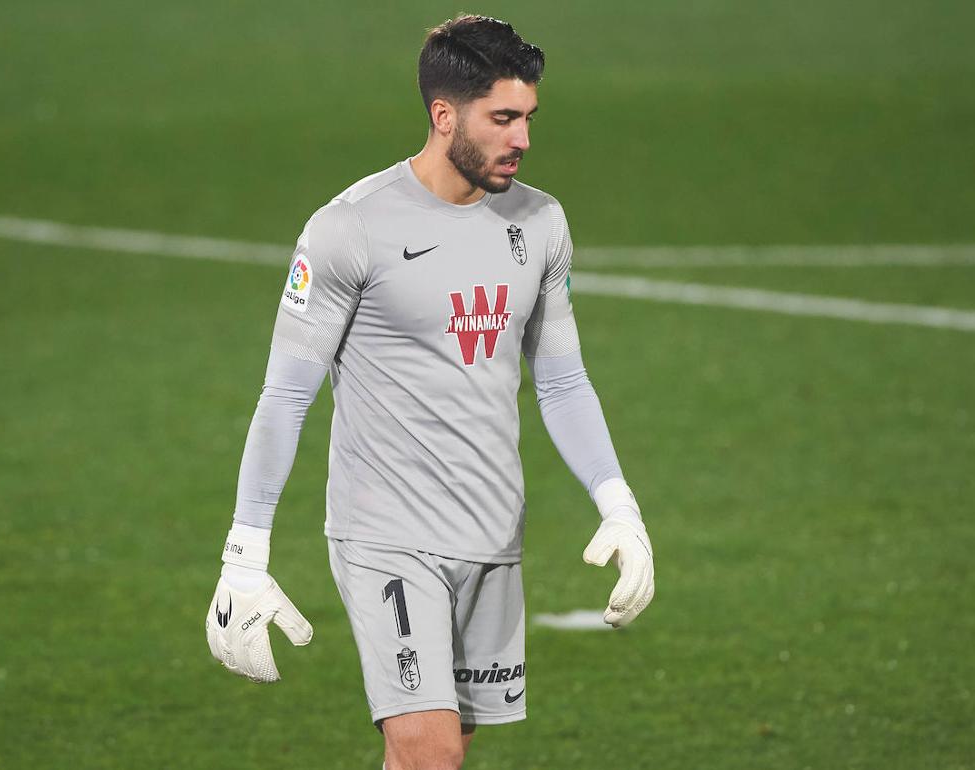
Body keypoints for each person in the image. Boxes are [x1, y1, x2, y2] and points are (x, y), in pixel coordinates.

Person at [203, 14, 655, 770]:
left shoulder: (540, 222)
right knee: (429, 756)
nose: (523, 139)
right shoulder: (350, 229)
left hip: (492, 532)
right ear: (444, 116)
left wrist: (621, 507)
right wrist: (244, 553)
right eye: (503, 118)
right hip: (387, 536)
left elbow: (563, 378)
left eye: (529, 118)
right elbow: (285, 396)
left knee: (440, 756)